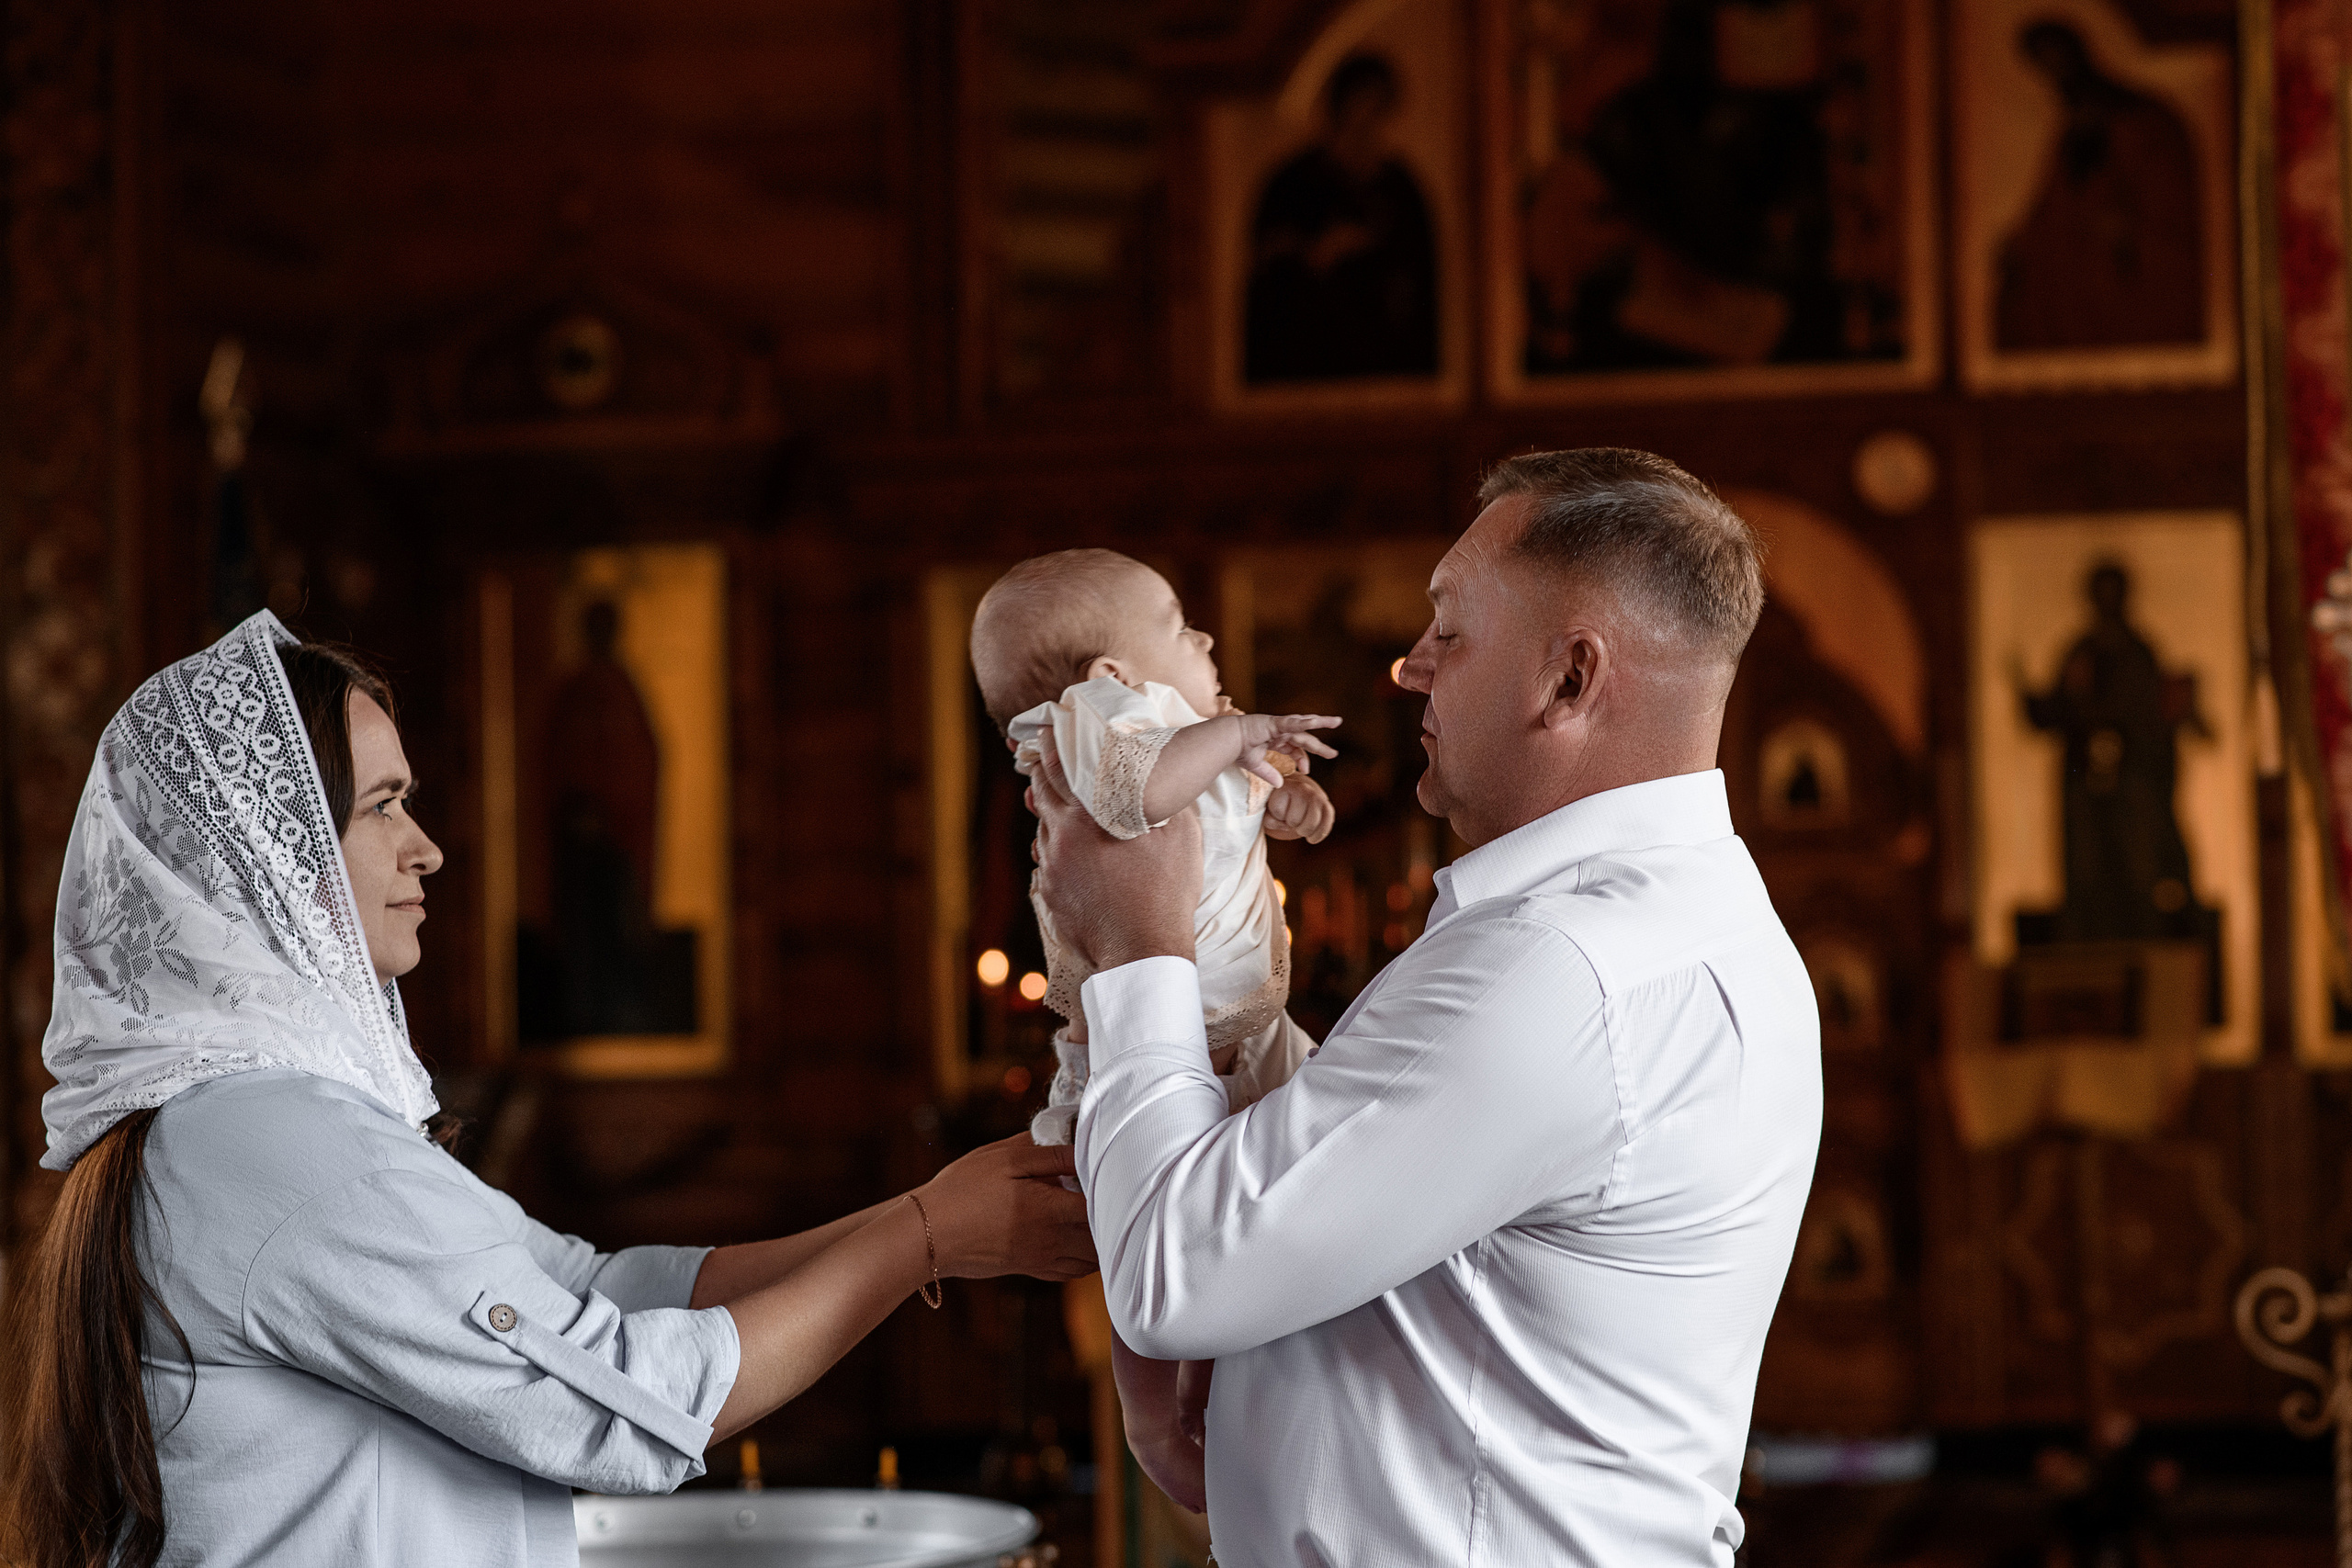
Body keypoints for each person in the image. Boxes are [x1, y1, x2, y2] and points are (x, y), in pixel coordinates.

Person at [1, 611, 1093, 1568]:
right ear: (263, 857)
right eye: (381, 805)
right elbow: (616, 1409)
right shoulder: (271, 1142)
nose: (425, 849)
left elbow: (595, 1292)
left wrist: (934, 1211)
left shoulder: (247, 1124)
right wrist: (925, 1239)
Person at [1029, 449, 1823, 1562]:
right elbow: (1363, 1182)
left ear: (1569, 681)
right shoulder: (1652, 927)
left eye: (1448, 631)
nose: (1409, 668)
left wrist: (1135, 942)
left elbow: (1177, 1274)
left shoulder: (1561, 969)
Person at [967, 548, 1337, 1507]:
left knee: (1248, 1223)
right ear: (1109, 674)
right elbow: (1141, 794)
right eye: (1177, 622)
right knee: (1139, 1241)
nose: (1205, 638)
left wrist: (1281, 799)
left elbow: (1211, 815)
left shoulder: (1171, 732)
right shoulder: (1097, 722)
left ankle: (1226, 1394)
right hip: (1156, 1033)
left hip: (1235, 1028)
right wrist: (1240, 731)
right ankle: (1149, 1418)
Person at [1243, 51, 1440, 382]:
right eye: (1359, 112)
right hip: (1306, 370)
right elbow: (1266, 274)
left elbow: (1421, 284)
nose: (1368, 128)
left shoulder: (1401, 189)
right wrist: (1315, 255)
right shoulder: (1291, 184)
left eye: (1379, 113)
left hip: (1387, 371)